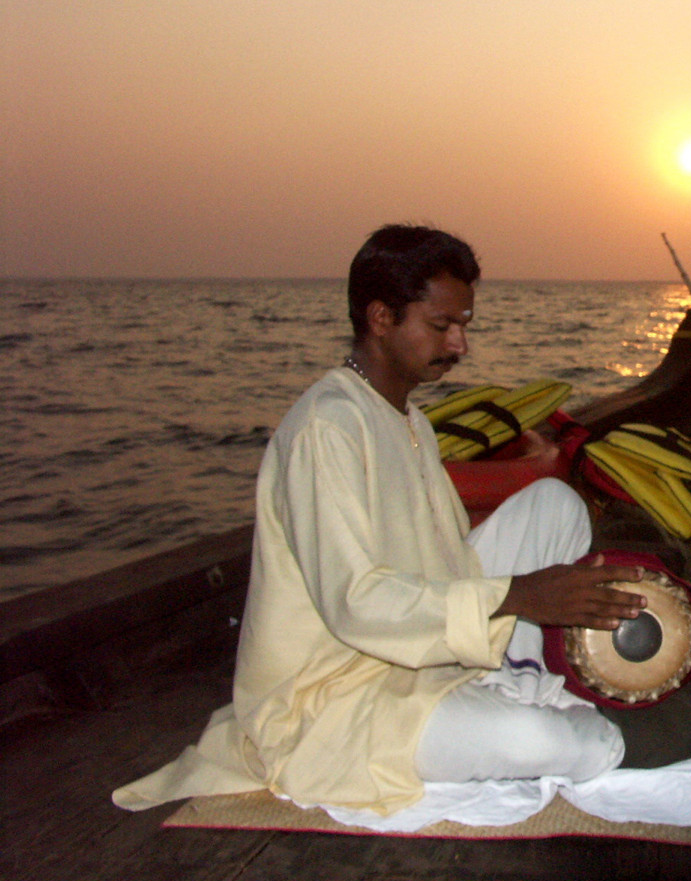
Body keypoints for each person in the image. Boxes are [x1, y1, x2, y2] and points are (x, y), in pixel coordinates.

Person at [115, 223, 646, 815]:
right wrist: (518, 594)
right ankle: (513, 710)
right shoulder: (329, 426)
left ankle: (500, 684)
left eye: (464, 325)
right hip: (338, 694)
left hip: (425, 656)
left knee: (556, 506)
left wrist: (520, 594)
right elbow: (357, 602)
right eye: (441, 326)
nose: (458, 345)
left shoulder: (406, 419)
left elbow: (447, 561)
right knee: (575, 743)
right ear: (380, 317)